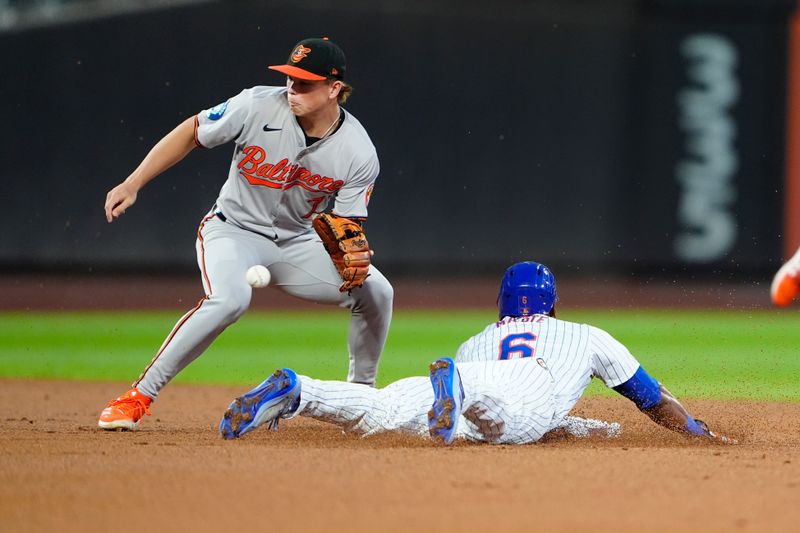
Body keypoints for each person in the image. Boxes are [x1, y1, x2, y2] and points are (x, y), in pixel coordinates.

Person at [98, 37, 394, 430]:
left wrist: (351, 245)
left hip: (297, 242)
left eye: (305, 83)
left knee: (377, 291)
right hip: (232, 231)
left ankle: (360, 400)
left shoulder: (358, 151)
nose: (293, 90)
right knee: (230, 301)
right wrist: (133, 182)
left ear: (334, 88)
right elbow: (192, 131)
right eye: (290, 79)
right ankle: (138, 395)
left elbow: (347, 225)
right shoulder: (256, 104)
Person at [218, 262, 735, 445]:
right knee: (506, 425)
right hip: (511, 385)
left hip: (468, 371)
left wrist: (578, 428)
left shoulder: (476, 339)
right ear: (552, 303)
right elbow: (650, 398)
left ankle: (299, 391)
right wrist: (696, 432)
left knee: (384, 412)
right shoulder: (585, 334)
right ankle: (462, 392)